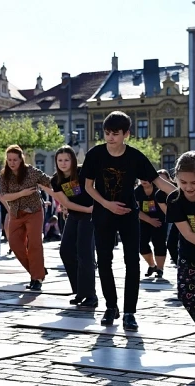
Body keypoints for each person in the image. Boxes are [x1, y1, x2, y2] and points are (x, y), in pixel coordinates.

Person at [82, 111, 176, 331]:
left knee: (132, 263)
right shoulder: (95, 154)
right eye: (107, 133)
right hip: (103, 214)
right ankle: (111, 307)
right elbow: (88, 186)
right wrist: (106, 204)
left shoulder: (135, 156)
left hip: (129, 216)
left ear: (126, 134)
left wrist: (183, 195)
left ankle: (129, 313)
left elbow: (158, 181)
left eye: (115, 133)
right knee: (104, 262)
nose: (110, 137)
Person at [0, 145, 51, 291]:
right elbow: (4, 195)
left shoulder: (31, 172)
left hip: (34, 211)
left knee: (34, 244)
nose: (12, 162)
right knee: (15, 244)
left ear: (21, 159)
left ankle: (37, 278)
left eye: (15, 159)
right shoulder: (4, 176)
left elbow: (49, 181)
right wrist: (22, 193)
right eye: (9, 160)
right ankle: (38, 271)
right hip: (16, 213)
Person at [49, 146, 96, 307]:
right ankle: (79, 291)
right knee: (66, 251)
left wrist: (93, 208)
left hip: (90, 216)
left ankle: (91, 295)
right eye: (60, 160)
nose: (63, 163)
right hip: (76, 214)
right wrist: (86, 209)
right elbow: (66, 203)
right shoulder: (56, 180)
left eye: (66, 160)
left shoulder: (83, 172)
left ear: (73, 161)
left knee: (85, 254)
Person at [166, 151, 195, 364]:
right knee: (186, 296)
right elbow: (186, 233)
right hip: (189, 255)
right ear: (176, 177)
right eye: (183, 181)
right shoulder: (175, 200)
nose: (188, 187)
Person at [135, 179, 167, 278]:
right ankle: (152, 265)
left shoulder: (159, 190)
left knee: (159, 244)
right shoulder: (137, 191)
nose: (144, 181)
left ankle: (160, 269)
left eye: (146, 178)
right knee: (142, 244)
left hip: (160, 221)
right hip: (144, 221)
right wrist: (149, 220)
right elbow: (136, 209)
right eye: (141, 179)